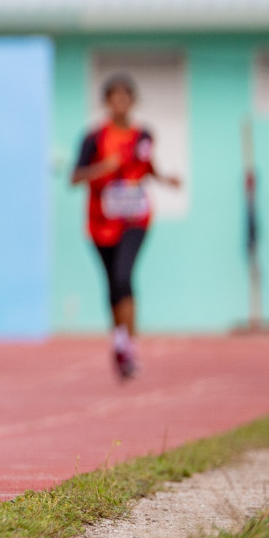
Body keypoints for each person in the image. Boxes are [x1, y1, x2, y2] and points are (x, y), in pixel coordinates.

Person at [70, 73, 181, 380]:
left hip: (135, 219)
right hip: (100, 223)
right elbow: (74, 177)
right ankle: (119, 340)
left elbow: (148, 167)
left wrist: (165, 180)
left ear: (133, 101)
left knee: (124, 274)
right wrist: (100, 168)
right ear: (106, 102)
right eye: (114, 98)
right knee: (112, 284)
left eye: (126, 97)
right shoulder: (93, 138)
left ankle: (129, 344)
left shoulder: (144, 135)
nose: (120, 103)